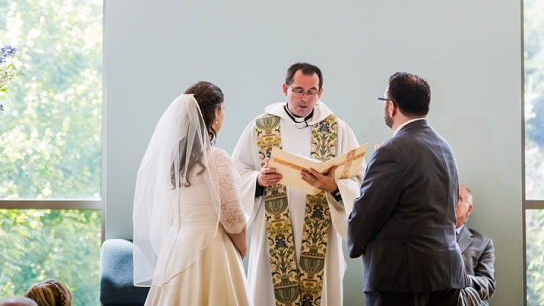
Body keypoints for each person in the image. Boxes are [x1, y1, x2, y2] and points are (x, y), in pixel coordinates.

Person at [232, 62, 363, 306]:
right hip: (273, 235)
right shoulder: (261, 127)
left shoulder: (338, 129)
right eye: (299, 90)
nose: (305, 98)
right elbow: (235, 175)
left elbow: (358, 180)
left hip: (320, 234)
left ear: (320, 93)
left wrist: (334, 187)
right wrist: (258, 181)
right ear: (286, 89)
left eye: (312, 91)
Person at [347, 72, 467, 306]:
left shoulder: (390, 152)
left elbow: (366, 215)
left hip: (401, 278)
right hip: (447, 274)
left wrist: (357, 244)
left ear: (391, 107)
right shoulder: (444, 147)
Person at [133, 82, 250, 306]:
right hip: (212, 249)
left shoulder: (174, 161)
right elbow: (233, 216)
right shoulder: (216, 159)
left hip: (178, 247)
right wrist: (242, 246)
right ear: (215, 113)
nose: (223, 114)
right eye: (223, 108)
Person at [455, 184, 495, 306]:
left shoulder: (483, 242)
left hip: (468, 299)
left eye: (459, 198)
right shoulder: (432, 238)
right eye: (451, 196)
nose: (453, 201)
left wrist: (465, 280)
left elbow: (488, 285)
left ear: (469, 209)